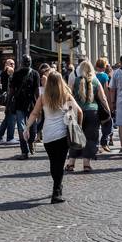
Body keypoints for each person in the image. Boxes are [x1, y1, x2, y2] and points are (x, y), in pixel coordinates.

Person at [26, 70, 82, 203]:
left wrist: (27, 127)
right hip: (62, 135)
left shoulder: (43, 97)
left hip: (48, 136)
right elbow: (79, 111)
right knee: (60, 163)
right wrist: (78, 126)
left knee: (53, 163)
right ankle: (56, 191)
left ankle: (57, 187)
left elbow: (34, 113)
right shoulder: (66, 95)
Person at [69, 59, 111, 172]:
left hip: (78, 113)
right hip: (93, 113)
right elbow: (103, 98)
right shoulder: (96, 81)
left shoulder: (76, 80)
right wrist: (108, 111)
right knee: (91, 138)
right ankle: (86, 164)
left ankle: (71, 163)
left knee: (75, 137)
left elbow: (69, 96)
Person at [7, 57, 39, 159]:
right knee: (23, 128)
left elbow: (37, 91)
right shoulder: (19, 73)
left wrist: (39, 104)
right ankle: (25, 150)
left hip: (29, 104)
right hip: (22, 104)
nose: (27, 62)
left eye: (28, 61)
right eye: (27, 61)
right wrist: (8, 104)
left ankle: (29, 144)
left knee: (30, 127)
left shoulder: (34, 74)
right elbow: (12, 90)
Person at [94, 58, 114, 151]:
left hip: (94, 103)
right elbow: (106, 91)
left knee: (96, 125)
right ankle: (104, 141)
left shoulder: (93, 76)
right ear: (104, 66)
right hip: (102, 102)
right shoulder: (105, 76)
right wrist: (110, 104)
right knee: (108, 123)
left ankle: (96, 145)